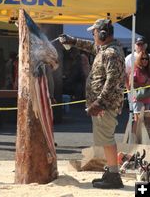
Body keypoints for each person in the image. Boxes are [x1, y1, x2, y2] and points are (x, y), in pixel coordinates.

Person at [59, 19, 125, 189]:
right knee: (105, 138)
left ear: (103, 34)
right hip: (104, 104)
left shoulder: (111, 53)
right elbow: (90, 46)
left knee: (107, 139)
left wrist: (100, 102)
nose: (93, 35)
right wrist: (72, 41)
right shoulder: (105, 49)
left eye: (94, 32)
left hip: (105, 105)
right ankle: (112, 171)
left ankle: (114, 176)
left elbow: (113, 81)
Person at [129, 51, 150, 136]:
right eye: (143, 58)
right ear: (139, 59)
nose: (145, 60)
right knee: (137, 121)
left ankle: (146, 143)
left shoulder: (148, 70)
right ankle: (134, 141)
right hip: (138, 99)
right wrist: (145, 84)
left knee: (148, 121)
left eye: (146, 59)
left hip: (148, 99)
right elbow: (131, 84)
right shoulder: (136, 69)